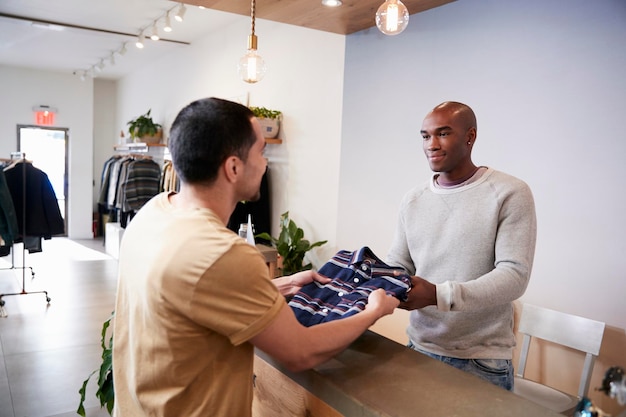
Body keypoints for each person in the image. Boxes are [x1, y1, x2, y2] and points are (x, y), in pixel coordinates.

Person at [112, 97, 399, 417]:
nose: (264, 164)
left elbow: (190, 296)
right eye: (261, 152)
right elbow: (300, 352)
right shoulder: (222, 252)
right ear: (233, 167)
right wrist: (372, 312)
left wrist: (285, 284)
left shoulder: (154, 212)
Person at [387, 101, 537, 391]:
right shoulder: (413, 199)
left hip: (480, 361)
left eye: (443, 133)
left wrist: (437, 295)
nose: (431, 144)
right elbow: (399, 262)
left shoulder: (510, 193)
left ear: (470, 137)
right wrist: (385, 283)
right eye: (425, 136)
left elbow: (514, 276)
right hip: (418, 348)